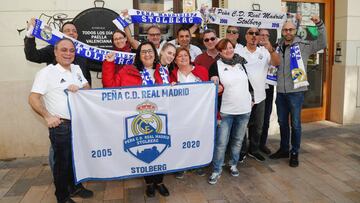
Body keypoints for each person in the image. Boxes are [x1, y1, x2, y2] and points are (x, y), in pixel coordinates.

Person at [102, 41, 172, 197]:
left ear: (155, 54)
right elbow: (110, 86)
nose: (147, 54)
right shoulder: (128, 71)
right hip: (138, 120)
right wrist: (108, 64)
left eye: (150, 51)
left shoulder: (163, 72)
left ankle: (159, 181)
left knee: (160, 150)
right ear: (139, 56)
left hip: (160, 119)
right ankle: (149, 183)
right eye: (143, 52)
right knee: (146, 151)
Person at [28, 38, 93, 203]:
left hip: (79, 124)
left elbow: (87, 88)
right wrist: (47, 116)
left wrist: (80, 89)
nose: (68, 54)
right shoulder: (46, 72)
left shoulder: (77, 68)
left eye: (71, 50)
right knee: (62, 163)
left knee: (75, 159)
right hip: (61, 125)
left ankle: (75, 187)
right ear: (55, 52)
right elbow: (33, 98)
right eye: (63, 50)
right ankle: (62, 197)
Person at [269, 16, 327, 167]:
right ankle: (283, 149)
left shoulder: (304, 45)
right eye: (285, 30)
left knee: (295, 124)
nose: (287, 32)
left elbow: (322, 43)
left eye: (290, 29)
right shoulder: (277, 46)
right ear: (282, 31)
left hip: (296, 92)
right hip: (281, 91)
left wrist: (319, 25)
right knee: (282, 122)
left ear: (295, 31)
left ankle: (294, 152)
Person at [207, 39, 252, 185]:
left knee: (238, 140)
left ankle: (233, 164)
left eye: (231, 47)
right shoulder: (215, 65)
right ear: (219, 51)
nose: (228, 50)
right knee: (221, 143)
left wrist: (252, 97)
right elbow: (212, 85)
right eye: (225, 48)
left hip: (244, 109)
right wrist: (213, 81)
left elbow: (247, 82)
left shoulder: (240, 63)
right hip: (226, 111)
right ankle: (216, 169)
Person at [237, 27, 280, 162]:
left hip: (260, 96)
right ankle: (242, 151)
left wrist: (271, 49)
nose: (254, 36)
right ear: (246, 36)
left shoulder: (265, 51)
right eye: (251, 33)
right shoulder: (238, 51)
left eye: (257, 33)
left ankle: (254, 150)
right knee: (242, 126)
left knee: (258, 127)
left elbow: (276, 63)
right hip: (243, 97)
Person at [170, 47, 209, 179]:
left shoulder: (201, 70)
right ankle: (182, 166)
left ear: (189, 57)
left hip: (198, 113)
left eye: (185, 55)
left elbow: (209, 89)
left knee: (197, 138)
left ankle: (197, 164)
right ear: (175, 60)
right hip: (180, 114)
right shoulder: (172, 74)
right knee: (181, 139)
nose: (182, 58)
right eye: (179, 56)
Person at [24, 18, 91, 85]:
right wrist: (30, 35)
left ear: (77, 35)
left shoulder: (85, 52)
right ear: (61, 34)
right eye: (67, 31)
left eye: (74, 31)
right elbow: (32, 56)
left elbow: (87, 76)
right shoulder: (53, 49)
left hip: (81, 93)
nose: (71, 33)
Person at [258, 29, 275, 155]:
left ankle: (262, 144)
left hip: (268, 88)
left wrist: (270, 49)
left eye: (266, 35)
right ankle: (251, 144)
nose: (263, 37)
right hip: (254, 88)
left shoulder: (272, 50)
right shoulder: (252, 48)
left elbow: (276, 63)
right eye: (261, 34)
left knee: (265, 117)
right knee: (253, 118)